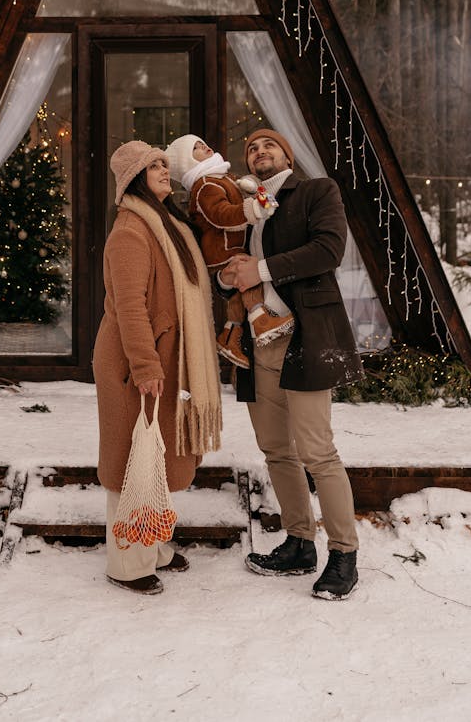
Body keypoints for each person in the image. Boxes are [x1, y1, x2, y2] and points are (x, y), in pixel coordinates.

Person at [219, 128, 364, 600]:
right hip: (255, 342)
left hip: (305, 336)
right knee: (276, 450)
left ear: (286, 155)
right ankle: (300, 543)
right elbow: (233, 268)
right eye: (251, 148)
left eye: (268, 145)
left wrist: (259, 269)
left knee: (318, 452)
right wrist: (227, 277)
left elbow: (329, 251)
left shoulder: (317, 192)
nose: (259, 152)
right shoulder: (245, 211)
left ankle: (344, 555)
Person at [93, 140, 223, 595]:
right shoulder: (131, 231)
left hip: (164, 359)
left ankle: (157, 547)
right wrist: (146, 365)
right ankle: (128, 563)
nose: (165, 170)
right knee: (131, 461)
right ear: (133, 177)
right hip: (135, 363)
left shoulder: (167, 223)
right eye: (154, 166)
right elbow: (129, 308)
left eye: (166, 163)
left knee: (159, 459)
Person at [164, 134, 295, 369]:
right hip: (223, 250)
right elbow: (221, 214)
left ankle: (230, 336)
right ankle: (260, 320)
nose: (203, 145)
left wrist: (246, 188)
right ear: (187, 162)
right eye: (195, 147)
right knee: (248, 285)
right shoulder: (205, 185)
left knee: (236, 295)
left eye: (202, 142)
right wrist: (252, 208)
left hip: (229, 248)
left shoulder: (218, 179)